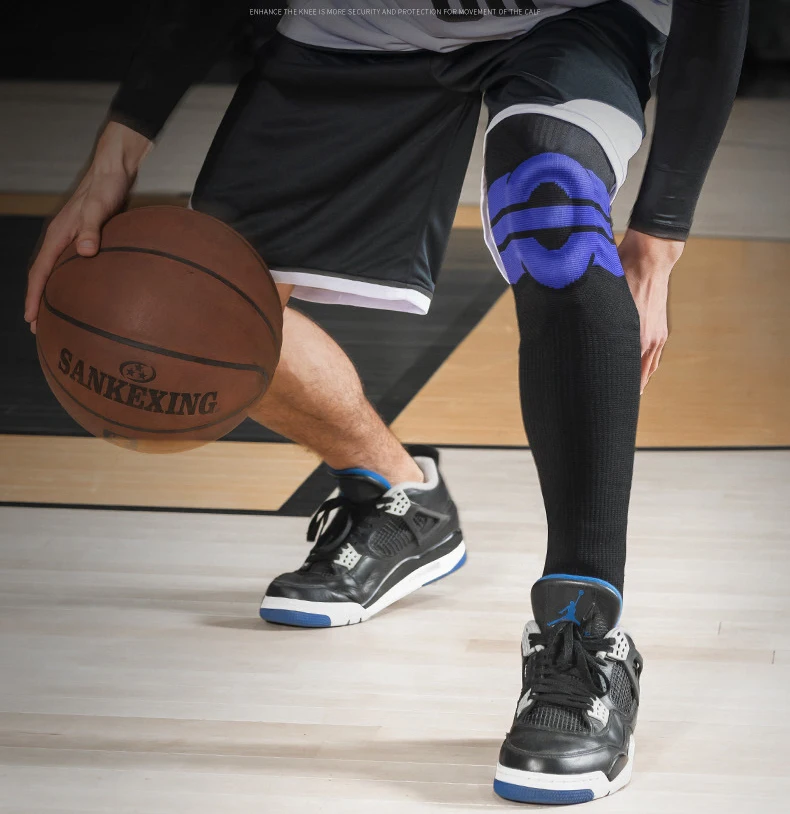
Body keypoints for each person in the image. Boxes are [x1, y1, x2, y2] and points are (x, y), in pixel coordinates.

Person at [24, 0, 748, 803]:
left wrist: (659, 236)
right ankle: (401, 497)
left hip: (571, 17)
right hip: (361, 21)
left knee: (554, 211)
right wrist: (118, 150)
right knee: (203, 311)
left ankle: (584, 636)